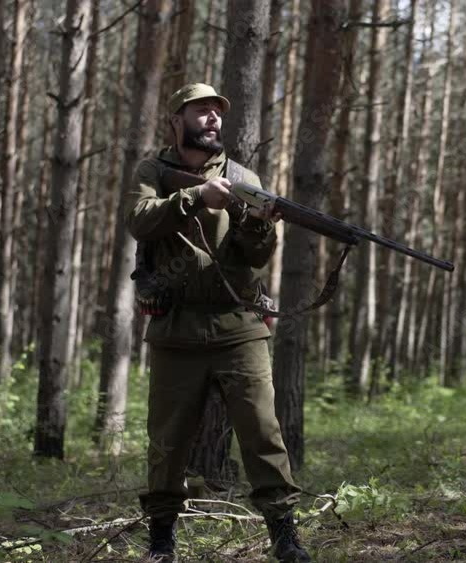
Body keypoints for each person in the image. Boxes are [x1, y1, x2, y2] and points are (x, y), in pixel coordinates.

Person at [123, 83, 310, 563]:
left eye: (217, 113)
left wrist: (258, 223)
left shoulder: (244, 175)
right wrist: (196, 198)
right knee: (167, 442)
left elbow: (259, 257)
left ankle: (285, 537)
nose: (212, 119)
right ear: (177, 118)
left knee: (263, 434)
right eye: (201, 111)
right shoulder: (153, 171)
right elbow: (139, 220)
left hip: (238, 326)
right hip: (175, 327)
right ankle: (161, 542)